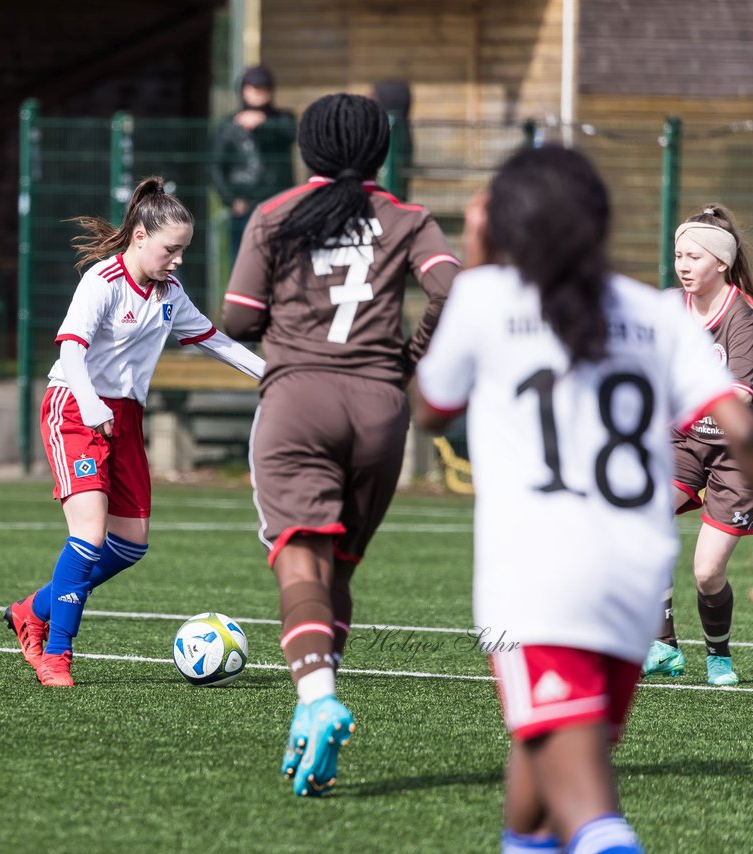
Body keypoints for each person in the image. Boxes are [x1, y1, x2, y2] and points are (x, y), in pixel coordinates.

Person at [415, 146, 753, 854]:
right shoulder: (652, 312)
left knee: (587, 800)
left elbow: (430, 405)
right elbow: (741, 425)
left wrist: (477, 262)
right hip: (633, 571)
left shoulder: (489, 297)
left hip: (538, 574)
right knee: (539, 777)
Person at [221, 92, 461, 797]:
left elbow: (237, 318)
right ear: (382, 150)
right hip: (381, 408)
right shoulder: (409, 218)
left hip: (299, 399)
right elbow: (454, 290)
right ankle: (313, 712)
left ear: (307, 148)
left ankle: (315, 701)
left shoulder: (274, 214)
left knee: (302, 565)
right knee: (340, 574)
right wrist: (407, 359)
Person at [2, 176, 266, 687]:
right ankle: (56, 654)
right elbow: (70, 354)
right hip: (75, 410)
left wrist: (275, 376)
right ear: (140, 238)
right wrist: (90, 401)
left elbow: (217, 341)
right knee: (89, 534)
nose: (179, 260)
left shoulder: (170, 293)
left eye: (184, 250)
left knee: (130, 543)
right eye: (172, 249)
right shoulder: (103, 281)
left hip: (124, 418)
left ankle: (32, 610)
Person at [640, 204, 753, 686]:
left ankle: (718, 655)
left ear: (722, 263)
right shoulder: (669, 306)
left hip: (735, 456)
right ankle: (664, 645)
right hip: (682, 442)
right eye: (678, 255)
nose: (683, 266)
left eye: (694, 257)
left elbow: (741, 399)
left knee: (707, 574)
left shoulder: (743, 317)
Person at [210, 65, 297, 263]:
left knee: (281, 260)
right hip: (244, 206)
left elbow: (291, 133)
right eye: (253, 86)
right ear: (242, 89)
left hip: (278, 204)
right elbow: (215, 167)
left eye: (263, 87)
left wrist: (263, 122)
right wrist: (231, 200)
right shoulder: (228, 126)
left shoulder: (283, 119)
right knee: (243, 261)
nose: (258, 92)